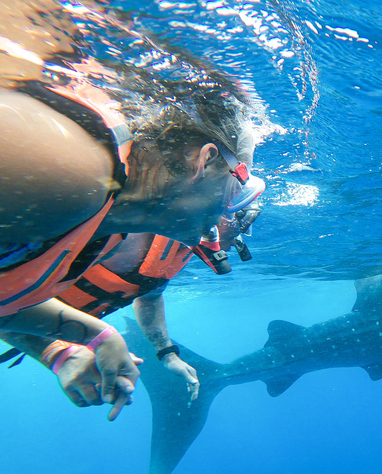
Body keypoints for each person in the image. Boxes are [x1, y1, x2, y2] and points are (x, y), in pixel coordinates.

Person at [0, 1, 262, 419]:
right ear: (203, 160)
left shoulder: (100, 226)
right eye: (239, 186)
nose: (229, 211)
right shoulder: (71, 176)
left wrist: (94, 336)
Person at [0, 198, 263, 409]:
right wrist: (59, 355)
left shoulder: (178, 247)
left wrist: (167, 353)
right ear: (216, 213)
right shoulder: (127, 236)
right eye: (242, 219)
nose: (246, 232)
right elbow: (6, 300)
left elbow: (149, 297)